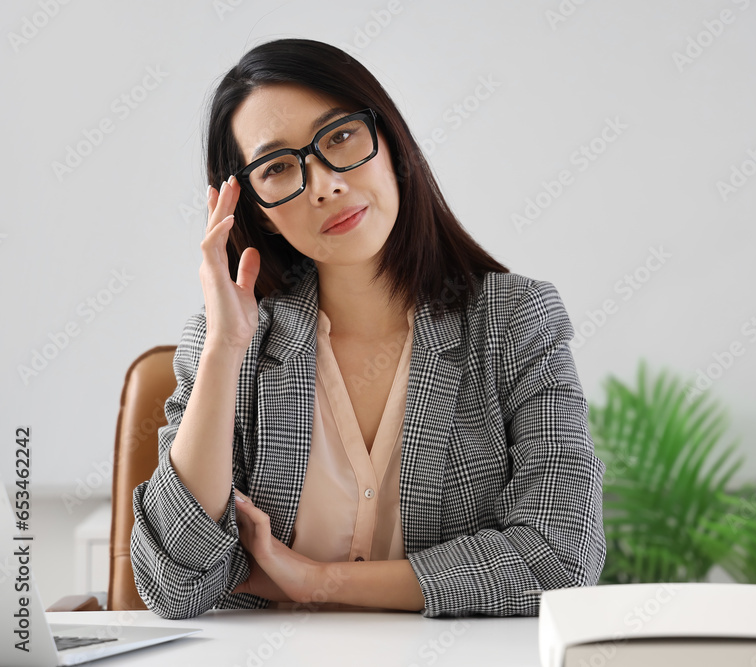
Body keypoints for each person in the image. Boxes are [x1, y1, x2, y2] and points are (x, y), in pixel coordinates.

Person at [130, 37, 606, 621]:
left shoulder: (514, 321)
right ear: (258, 211)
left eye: (341, 137)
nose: (326, 183)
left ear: (391, 144)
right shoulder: (229, 344)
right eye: (278, 168)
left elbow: (561, 559)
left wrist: (312, 581)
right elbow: (175, 587)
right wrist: (225, 349)